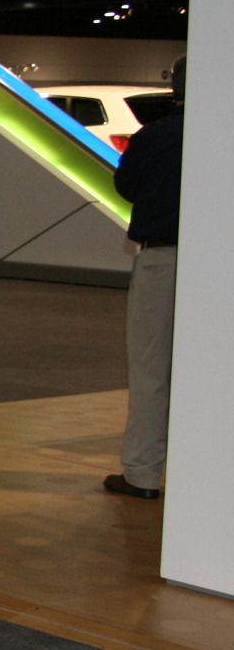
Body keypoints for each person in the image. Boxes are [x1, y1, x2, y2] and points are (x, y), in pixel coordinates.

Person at [105, 56, 185, 499]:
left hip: (163, 260)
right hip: (218, 265)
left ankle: (143, 474)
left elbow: (127, 186)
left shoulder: (156, 136)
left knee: (152, 367)